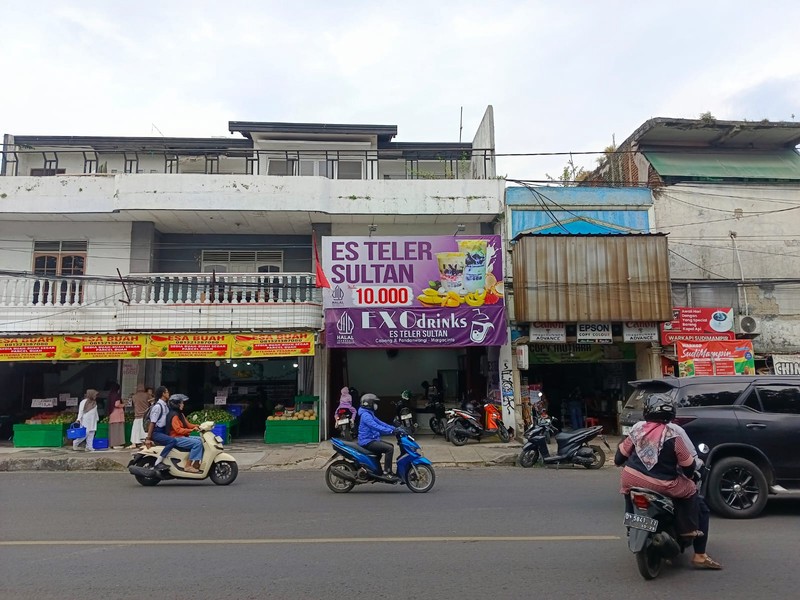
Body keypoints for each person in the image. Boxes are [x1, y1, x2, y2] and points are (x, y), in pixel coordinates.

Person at [615, 393, 722, 570]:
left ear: (647, 411)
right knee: (691, 490)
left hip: (631, 477)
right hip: (662, 483)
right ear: (671, 413)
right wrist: (693, 475)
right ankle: (689, 532)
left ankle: (631, 522)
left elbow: (619, 458)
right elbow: (688, 468)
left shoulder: (637, 430)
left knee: (628, 489)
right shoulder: (673, 434)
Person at [357, 393, 400, 480]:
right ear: (369, 404)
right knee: (389, 448)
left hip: (371, 439)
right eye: (374, 403)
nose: (376, 405)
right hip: (367, 441)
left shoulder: (369, 413)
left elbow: (380, 423)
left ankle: (376, 471)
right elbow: (375, 426)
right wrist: (391, 431)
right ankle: (387, 472)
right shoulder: (366, 415)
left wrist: (395, 428)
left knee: (389, 446)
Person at [166, 394, 203, 473]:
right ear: (176, 404)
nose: (183, 404)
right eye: (181, 403)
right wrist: (191, 430)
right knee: (197, 443)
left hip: (181, 436)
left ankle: (196, 463)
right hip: (176, 438)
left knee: (202, 440)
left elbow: (188, 425)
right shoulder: (174, 415)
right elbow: (178, 430)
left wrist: (199, 426)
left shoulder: (180, 414)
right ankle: (188, 465)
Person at [144, 386, 176, 467]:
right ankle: (158, 462)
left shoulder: (165, 406)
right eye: (167, 392)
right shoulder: (158, 407)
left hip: (163, 431)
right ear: (163, 394)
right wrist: (148, 438)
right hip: (156, 432)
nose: (169, 394)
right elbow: (152, 423)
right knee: (172, 441)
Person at [128, 384, 151, 449]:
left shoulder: (134, 396)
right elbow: (152, 402)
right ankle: (144, 443)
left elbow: (131, 405)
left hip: (137, 415)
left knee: (135, 430)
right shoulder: (147, 395)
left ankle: (134, 443)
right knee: (144, 430)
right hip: (145, 416)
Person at [107, 383, 125, 449]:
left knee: (113, 431)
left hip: (112, 414)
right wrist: (123, 405)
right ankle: (117, 444)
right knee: (117, 430)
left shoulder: (110, 395)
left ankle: (112, 444)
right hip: (117, 415)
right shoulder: (116, 395)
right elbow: (117, 404)